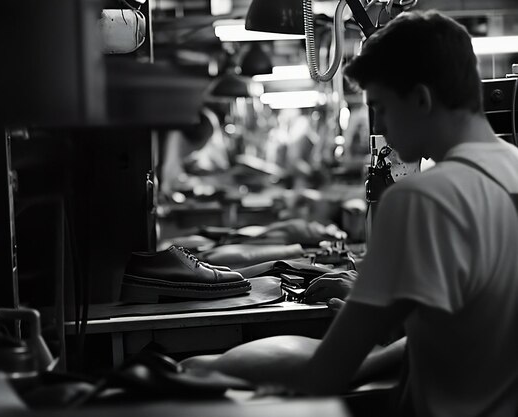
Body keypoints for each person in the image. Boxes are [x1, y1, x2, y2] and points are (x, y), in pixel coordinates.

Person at [183, 10, 518, 417]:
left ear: (421, 99)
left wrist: (206, 375)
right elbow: (471, 325)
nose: (384, 130)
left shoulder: (421, 199)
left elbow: (327, 372)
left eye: (382, 109)